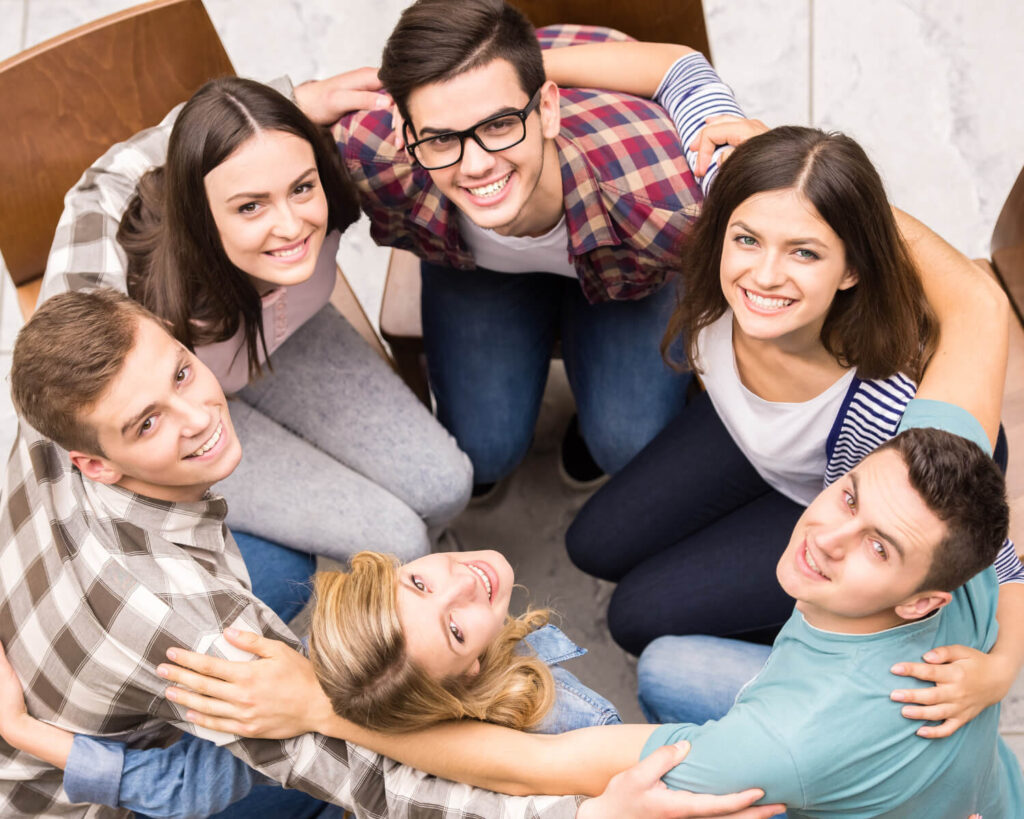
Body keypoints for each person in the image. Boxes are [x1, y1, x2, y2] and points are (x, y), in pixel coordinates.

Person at [0, 289, 777, 819]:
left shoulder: (57, 401)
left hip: (92, 670)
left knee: (286, 574)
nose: (200, 410)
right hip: (94, 748)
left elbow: (97, 196)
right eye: (146, 424)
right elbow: (390, 788)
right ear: (91, 461)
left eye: (180, 369)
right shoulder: (219, 646)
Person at [26, 428, 1018, 817]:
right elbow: (528, 788)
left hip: (940, 769)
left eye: (418, 585)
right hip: (876, 768)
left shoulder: (930, 521)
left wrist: (1002, 659)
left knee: (669, 664)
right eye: (457, 631)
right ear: (464, 690)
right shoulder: (571, 737)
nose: (464, 584)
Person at [563, 124, 1020, 667]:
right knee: (590, 544)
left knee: (635, 616)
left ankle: (811, 638)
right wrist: (788, 157)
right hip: (749, 438)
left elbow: (984, 551)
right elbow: (674, 72)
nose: (765, 275)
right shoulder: (737, 213)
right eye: (748, 239)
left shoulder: (886, 402)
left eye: (805, 251)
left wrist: (1004, 658)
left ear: (852, 267)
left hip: (833, 500)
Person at [303, 0, 747, 493]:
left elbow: (687, 79)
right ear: (408, 138)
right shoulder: (371, 147)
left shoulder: (668, 201)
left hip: (628, 257)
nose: (475, 166)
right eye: (442, 140)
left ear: (548, 110)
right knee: (482, 452)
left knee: (628, 443)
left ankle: (594, 432)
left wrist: (750, 163)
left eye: (499, 126)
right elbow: (229, 165)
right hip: (476, 266)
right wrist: (295, 104)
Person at [40, 74, 473, 574]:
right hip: (187, 411)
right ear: (203, 214)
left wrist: (295, 101)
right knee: (397, 541)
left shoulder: (334, 182)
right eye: (250, 206)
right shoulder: (153, 295)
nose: (291, 227)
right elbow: (100, 187)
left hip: (290, 340)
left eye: (300, 188)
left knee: (446, 485)